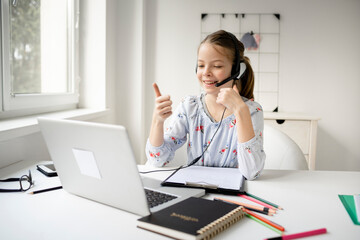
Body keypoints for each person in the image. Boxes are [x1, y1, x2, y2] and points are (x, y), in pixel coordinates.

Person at [145, 30, 265, 180]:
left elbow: (251, 173)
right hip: (195, 190)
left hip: (234, 195)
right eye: (201, 65)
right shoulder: (190, 106)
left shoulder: (252, 111)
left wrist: (240, 111)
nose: (206, 73)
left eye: (217, 66)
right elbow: (157, 160)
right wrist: (157, 121)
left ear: (237, 70)